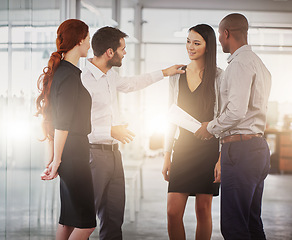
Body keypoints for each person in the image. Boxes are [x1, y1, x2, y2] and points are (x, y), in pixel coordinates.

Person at [81, 26, 184, 240]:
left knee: (114, 218)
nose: (125, 53)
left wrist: (164, 73)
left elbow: (131, 83)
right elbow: (78, 124)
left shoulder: (109, 76)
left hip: (113, 154)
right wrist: (110, 130)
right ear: (110, 52)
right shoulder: (83, 80)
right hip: (92, 155)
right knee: (85, 220)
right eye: (122, 49)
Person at [195, 13, 271, 239]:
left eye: (219, 34)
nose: (219, 39)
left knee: (234, 226)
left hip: (240, 150)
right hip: (256, 149)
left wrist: (209, 127)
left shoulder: (238, 64)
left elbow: (236, 111)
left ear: (226, 33)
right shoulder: (258, 63)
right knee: (251, 223)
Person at [162, 24, 223, 240]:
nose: (190, 47)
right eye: (188, 41)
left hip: (208, 151)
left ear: (208, 46)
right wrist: (166, 154)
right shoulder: (177, 75)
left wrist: (220, 158)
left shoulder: (218, 76)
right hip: (183, 149)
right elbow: (170, 117)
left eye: (196, 43)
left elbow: (225, 120)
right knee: (172, 212)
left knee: (203, 211)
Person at [36, 19, 96, 240]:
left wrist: (54, 157)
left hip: (68, 152)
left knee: (69, 221)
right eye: (88, 38)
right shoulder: (70, 76)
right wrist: (57, 159)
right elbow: (62, 123)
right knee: (87, 224)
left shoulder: (61, 72)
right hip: (74, 153)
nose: (89, 42)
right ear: (80, 40)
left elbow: (52, 120)